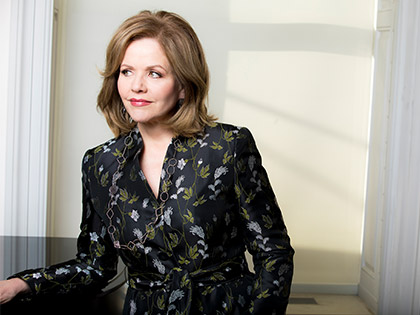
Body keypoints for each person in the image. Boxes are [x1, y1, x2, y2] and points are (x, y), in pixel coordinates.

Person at [0, 10, 294, 314]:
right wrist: (21, 284)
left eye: (155, 73)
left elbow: (274, 253)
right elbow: (94, 265)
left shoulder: (226, 148)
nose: (136, 86)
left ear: (183, 85)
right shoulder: (100, 164)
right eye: (126, 71)